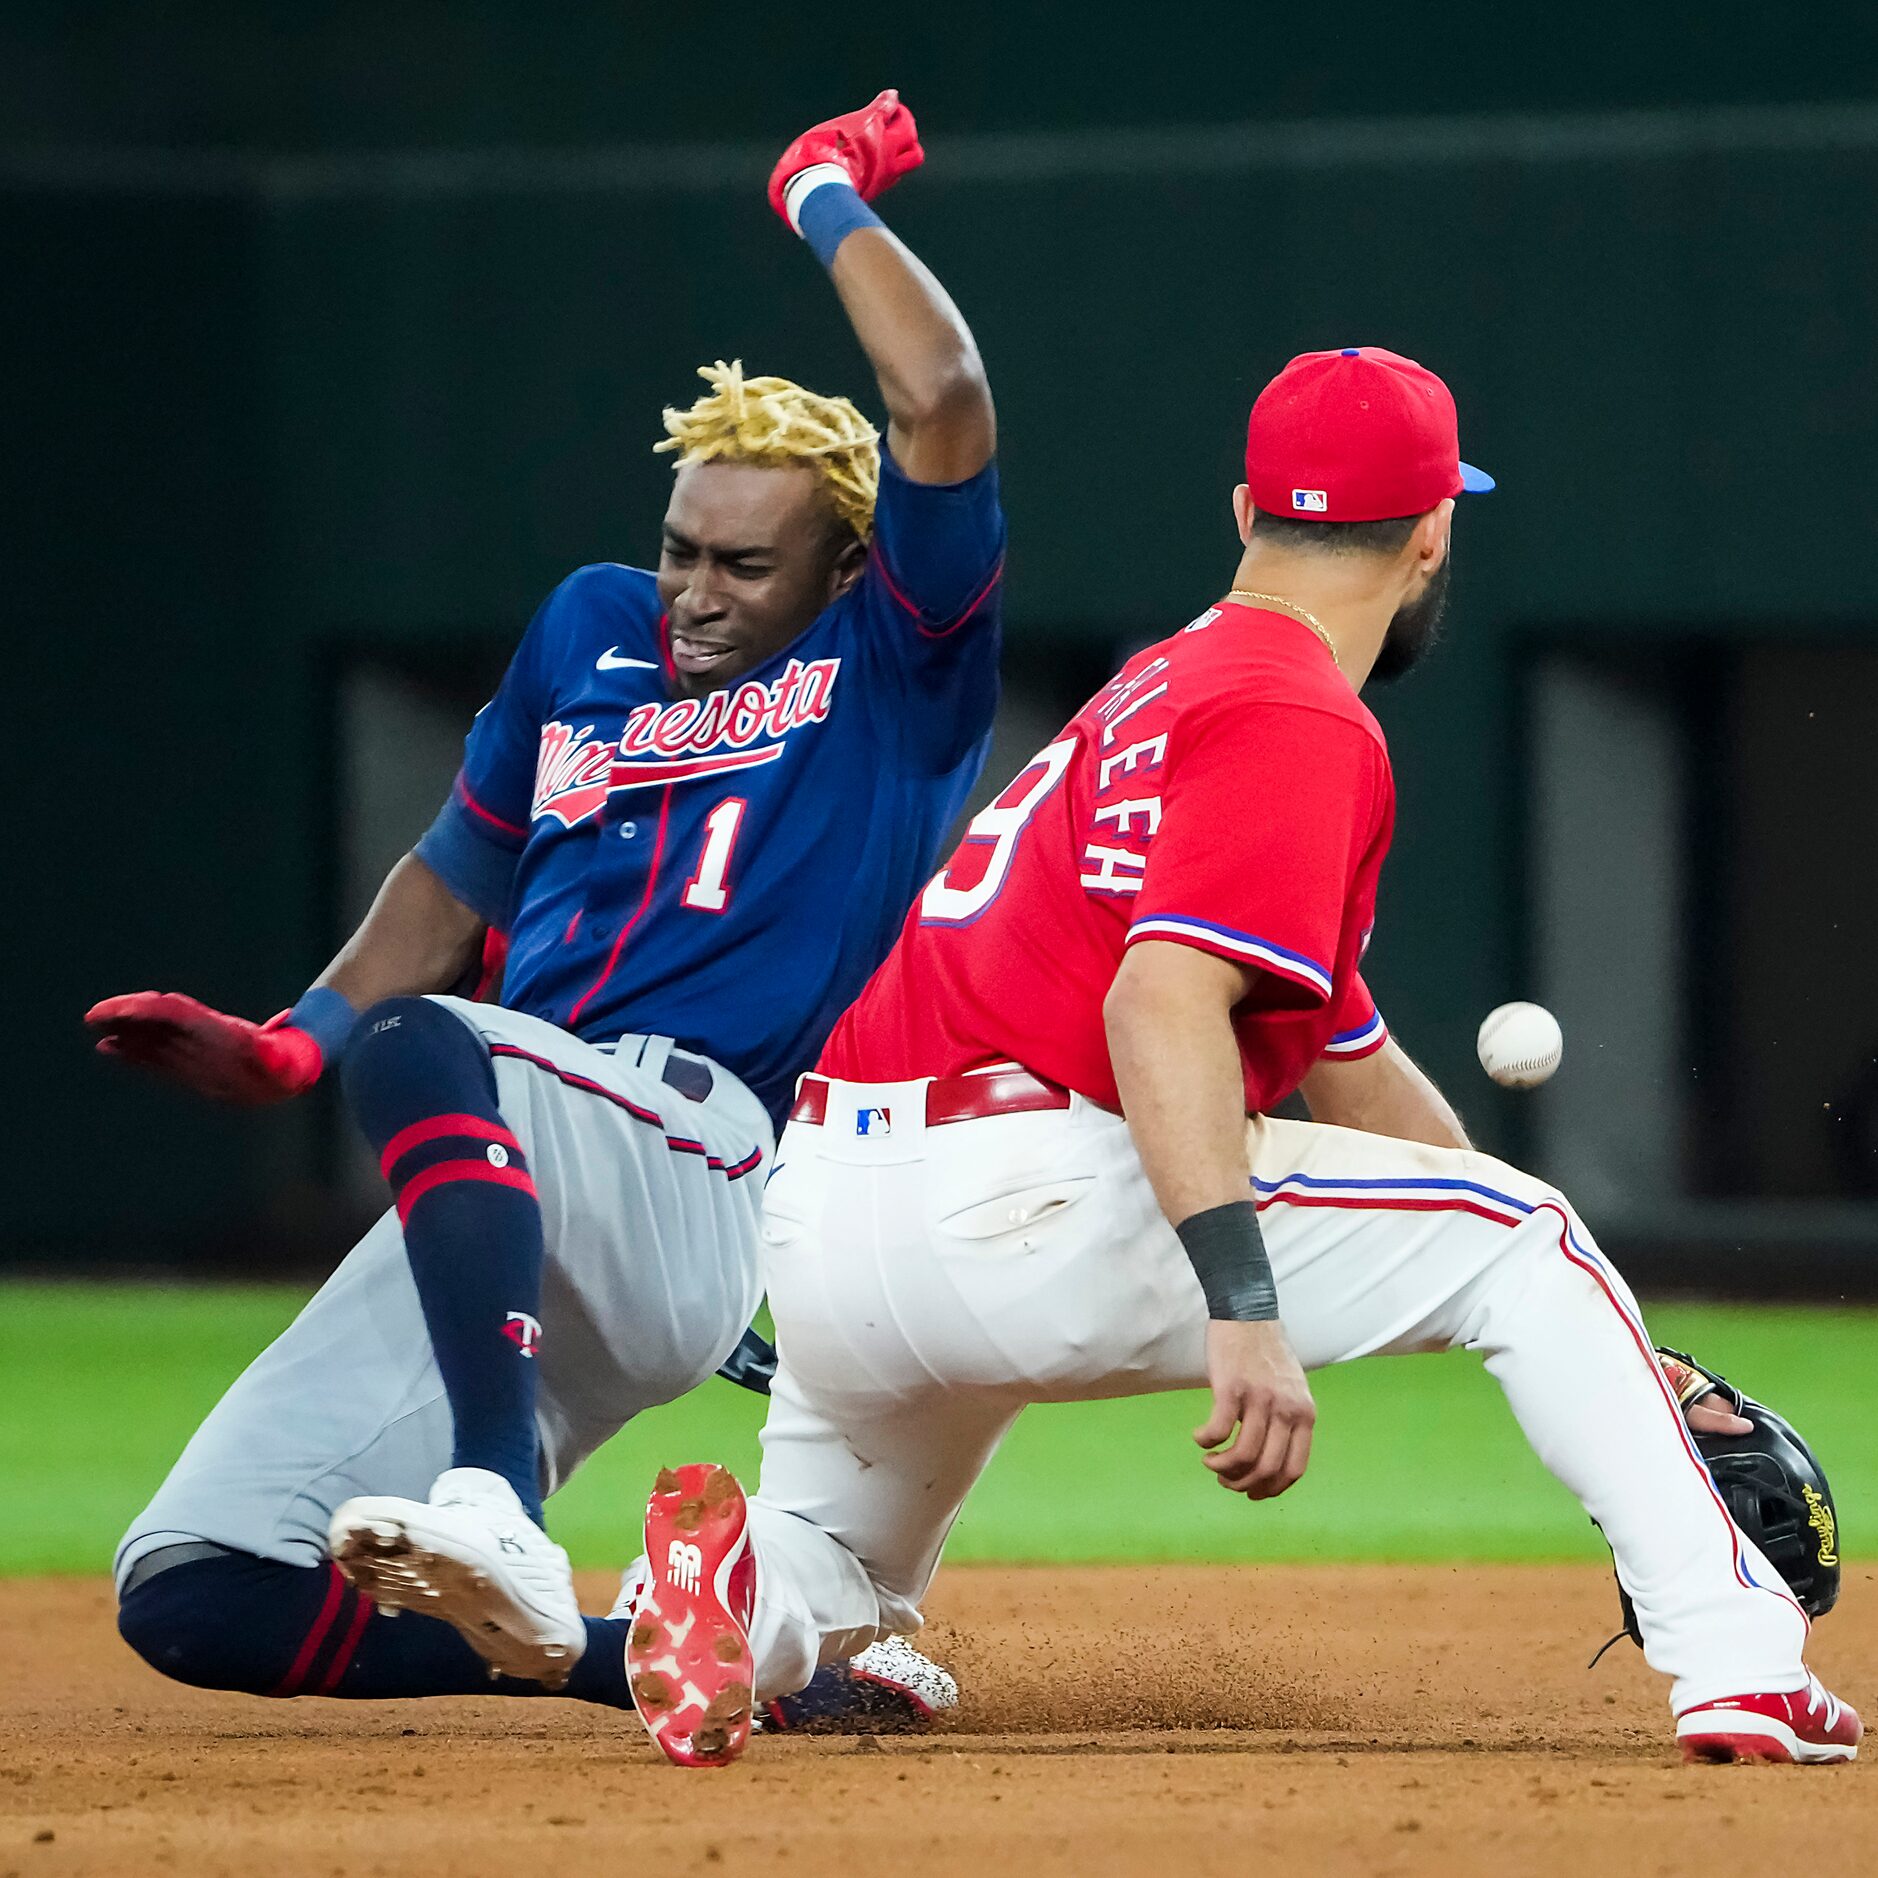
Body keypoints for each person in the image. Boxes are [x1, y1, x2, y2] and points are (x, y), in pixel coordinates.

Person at [622, 345, 1861, 1770]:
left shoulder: (1155, 690)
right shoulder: (1293, 709)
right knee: (1532, 1233)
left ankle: (731, 1591)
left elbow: (1350, 1068)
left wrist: (1634, 1365)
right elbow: (1157, 1005)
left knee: (839, 1572)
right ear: (1433, 532)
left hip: (837, 1215)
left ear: (1241, 512)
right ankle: (1738, 1659)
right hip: (1031, 1197)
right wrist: (1242, 1304)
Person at [90, 90, 990, 1728]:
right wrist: (296, 1049)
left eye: (745, 566)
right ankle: (674, 1659)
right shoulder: (588, 627)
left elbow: (938, 398)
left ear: (847, 573)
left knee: (436, 1045)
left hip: (687, 1154)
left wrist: (817, 192)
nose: (696, 591)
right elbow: (458, 870)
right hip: (501, 1178)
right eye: (681, 550)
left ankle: (488, 1494)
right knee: (196, 1583)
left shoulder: (897, 670)